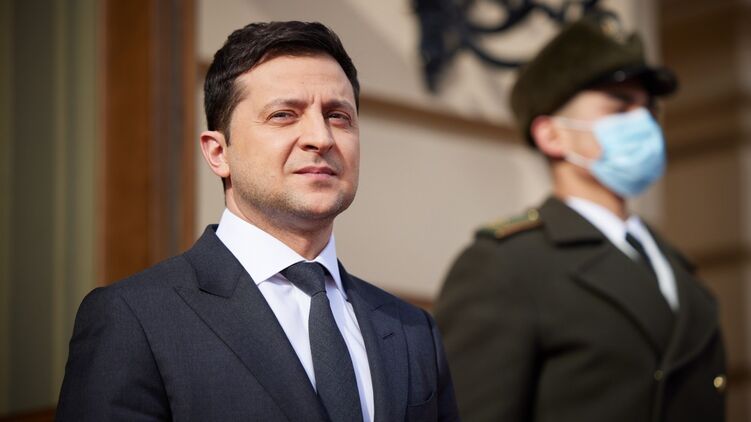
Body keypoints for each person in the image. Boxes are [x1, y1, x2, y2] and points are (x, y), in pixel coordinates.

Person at [57, 21, 458, 422]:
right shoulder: (135, 318)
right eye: (284, 115)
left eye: (338, 116)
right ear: (218, 153)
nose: (321, 138)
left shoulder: (412, 332)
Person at [434, 14, 726, 422]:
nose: (643, 121)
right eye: (620, 106)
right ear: (552, 135)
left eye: (649, 108)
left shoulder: (676, 266)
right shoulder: (505, 265)